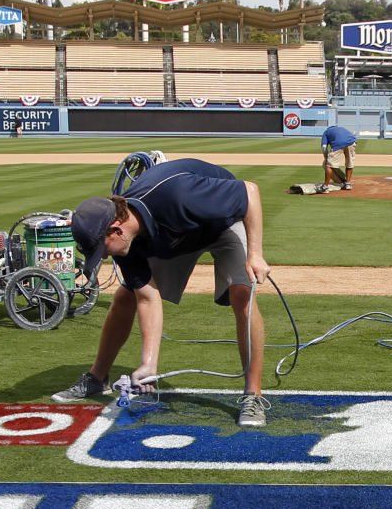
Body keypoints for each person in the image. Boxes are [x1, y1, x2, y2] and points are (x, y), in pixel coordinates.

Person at [51, 153, 272, 427]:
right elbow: (147, 298)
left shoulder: (177, 194)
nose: (105, 257)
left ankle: (253, 394)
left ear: (116, 229)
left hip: (221, 222)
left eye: (102, 250)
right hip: (177, 237)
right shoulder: (125, 244)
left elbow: (250, 192)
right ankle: (97, 378)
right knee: (126, 296)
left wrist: (255, 254)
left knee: (242, 293)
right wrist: (149, 364)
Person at [320, 123, 356, 190]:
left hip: (338, 144)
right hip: (351, 142)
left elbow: (324, 147)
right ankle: (348, 184)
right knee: (350, 163)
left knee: (329, 165)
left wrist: (326, 157)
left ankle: (325, 187)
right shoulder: (342, 128)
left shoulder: (326, 132)